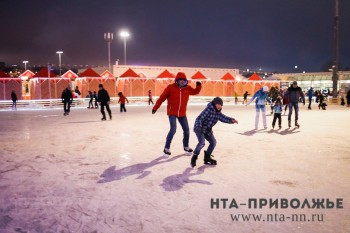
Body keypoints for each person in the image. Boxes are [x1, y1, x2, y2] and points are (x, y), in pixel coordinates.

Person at [152, 72, 202, 157]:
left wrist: (198, 86)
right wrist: (155, 107)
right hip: (172, 113)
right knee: (173, 129)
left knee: (186, 130)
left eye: (183, 80)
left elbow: (195, 92)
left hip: (182, 113)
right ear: (177, 81)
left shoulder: (187, 88)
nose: (182, 82)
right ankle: (166, 148)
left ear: (185, 81)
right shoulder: (170, 88)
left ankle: (186, 147)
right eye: (180, 80)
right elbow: (162, 97)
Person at [191, 97, 238, 168]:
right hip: (200, 129)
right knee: (201, 143)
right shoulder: (208, 110)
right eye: (218, 104)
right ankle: (194, 157)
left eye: (221, 105)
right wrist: (198, 127)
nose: (220, 106)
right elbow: (199, 118)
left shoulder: (217, 112)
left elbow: (223, 118)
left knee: (213, 142)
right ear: (214, 103)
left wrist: (231, 120)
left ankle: (207, 157)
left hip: (208, 130)